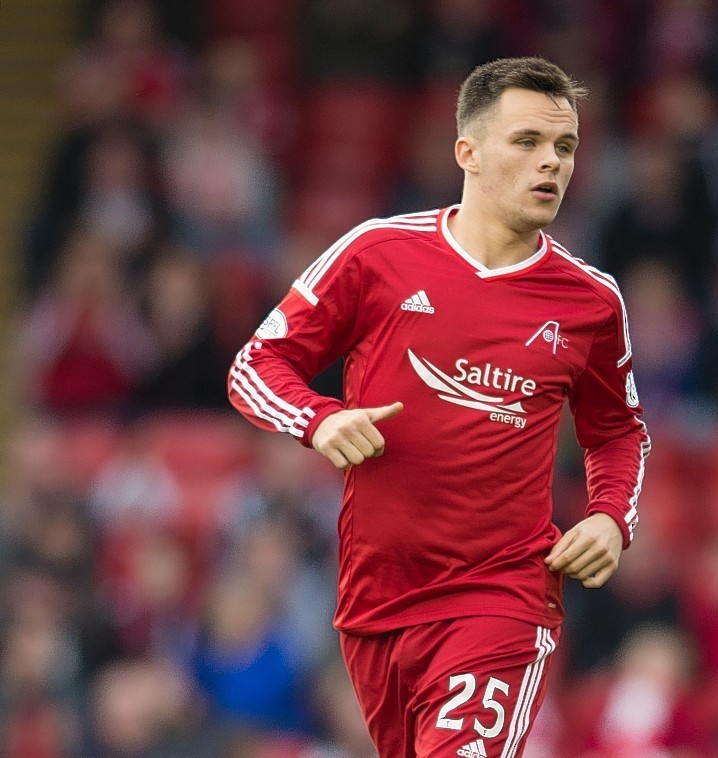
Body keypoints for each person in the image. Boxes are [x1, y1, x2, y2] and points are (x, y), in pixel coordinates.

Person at [227, 56, 650, 758]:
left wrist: (610, 517)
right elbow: (257, 365)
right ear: (468, 152)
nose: (552, 163)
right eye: (528, 142)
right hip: (376, 602)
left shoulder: (590, 301)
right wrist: (319, 417)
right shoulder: (377, 254)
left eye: (565, 147)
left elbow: (618, 432)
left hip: (502, 595)